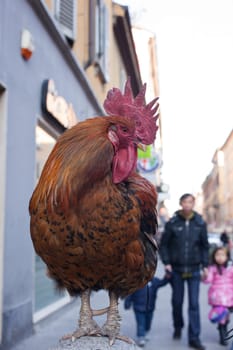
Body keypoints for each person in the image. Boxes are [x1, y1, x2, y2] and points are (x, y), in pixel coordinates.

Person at [159, 193, 209, 350]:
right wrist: (166, 263)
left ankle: (194, 337)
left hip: (194, 270)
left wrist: (205, 265)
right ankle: (178, 326)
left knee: (194, 304)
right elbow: (164, 245)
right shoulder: (172, 222)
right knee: (177, 302)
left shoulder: (200, 222)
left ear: (193, 204)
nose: (187, 205)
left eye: (190, 202)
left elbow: (204, 246)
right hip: (177, 270)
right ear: (181, 203)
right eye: (185, 202)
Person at [124, 274, 170, 347]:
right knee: (141, 323)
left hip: (150, 308)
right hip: (138, 307)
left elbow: (162, 283)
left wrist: (167, 277)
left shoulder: (154, 281)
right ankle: (141, 337)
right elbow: (130, 293)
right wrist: (127, 303)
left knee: (148, 322)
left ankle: (145, 331)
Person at [202, 246, 233, 346]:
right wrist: (205, 275)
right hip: (217, 297)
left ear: (227, 256)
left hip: (229, 296)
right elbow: (208, 280)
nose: (220, 257)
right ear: (214, 256)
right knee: (222, 316)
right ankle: (223, 336)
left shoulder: (230, 268)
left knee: (226, 316)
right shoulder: (212, 268)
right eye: (217, 255)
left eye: (222, 255)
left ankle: (222, 328)